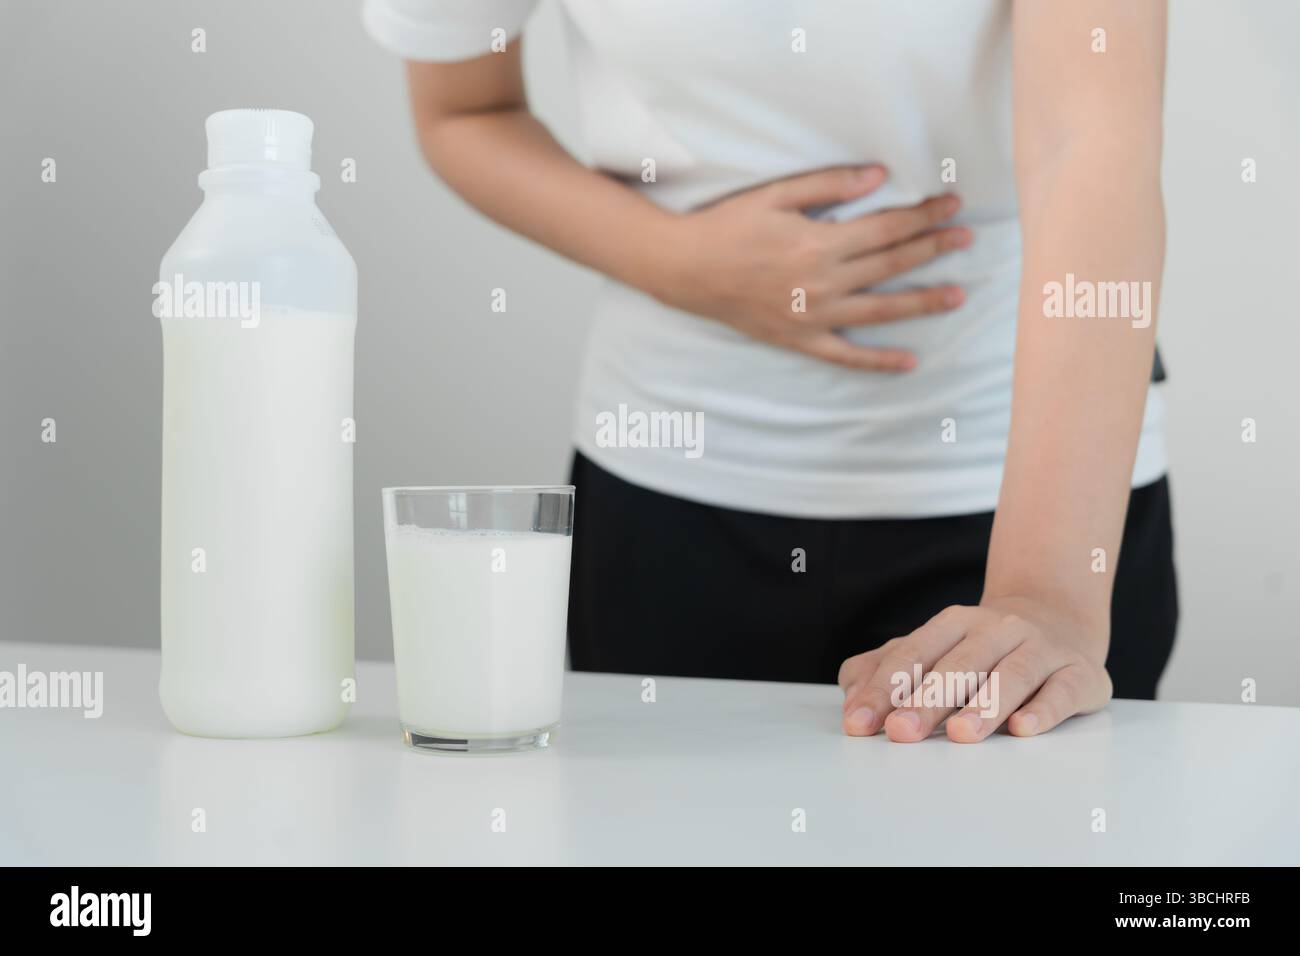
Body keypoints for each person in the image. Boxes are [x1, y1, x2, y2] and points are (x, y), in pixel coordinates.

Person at [363, 0, 1177, 743]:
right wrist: (682, 262)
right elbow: (466, 110)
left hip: (1028, 493)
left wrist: (1045, 598)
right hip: (669, 497)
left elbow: (1091, 149)